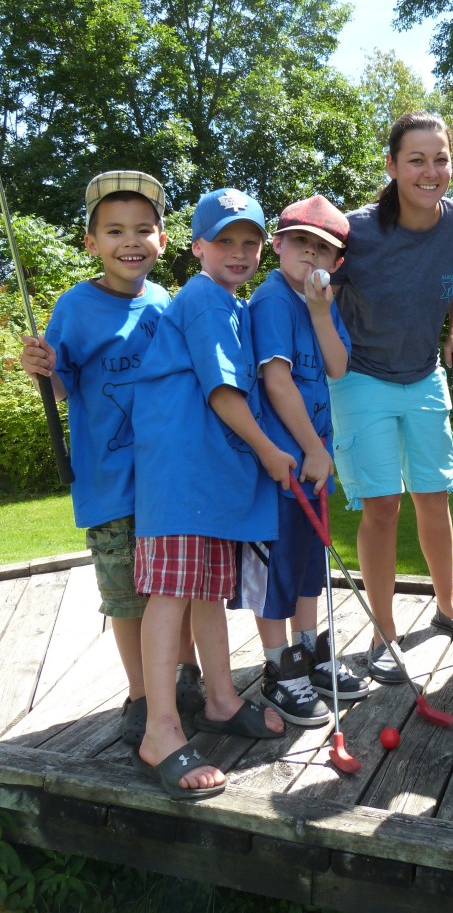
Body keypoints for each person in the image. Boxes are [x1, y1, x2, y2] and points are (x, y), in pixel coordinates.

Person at [19, 170, 201, 746]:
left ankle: (186, 674)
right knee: (128, 595)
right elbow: (64, 385)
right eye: (115, 230)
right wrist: (41, 368)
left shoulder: (167, 302)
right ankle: (143, 695)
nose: (131, 241)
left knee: (180, 585)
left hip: (168, 480)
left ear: (162, 240)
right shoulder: (74, 306)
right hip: (109, 481)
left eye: (144, 229)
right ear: (91, 242)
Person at [131, 188, 295, 800]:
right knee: (173, 593)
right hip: (181, 477)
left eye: (250, 241)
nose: (239, 251)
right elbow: (224, 394)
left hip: (206, 481)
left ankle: (222, 701)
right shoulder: (204, 298)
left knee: (205, 592)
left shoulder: (228, 302)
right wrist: (269, 450)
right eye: (224, 240)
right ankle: (160, 731)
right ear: (197, 247)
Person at [329, 111, 453, 684]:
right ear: (393, 165)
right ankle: (384, 632)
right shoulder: (355, 231)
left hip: (424, 373)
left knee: (434, 494)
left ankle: (448, 611)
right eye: (417, 159)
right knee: (382, 505)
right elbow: (313, 285)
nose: (431, 171)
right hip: (359, 377)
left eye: (441, 159)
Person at [231, 194, 369, 725]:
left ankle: (308, 649)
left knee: (310, 562)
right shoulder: (270, 301)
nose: (310, 255)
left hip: (316, 461)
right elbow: (277, 378)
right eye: (300, 243)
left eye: (323, 249)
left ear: (337, 263)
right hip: (283, 462)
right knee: (276, 567)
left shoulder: (320, 302)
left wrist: (320, 310)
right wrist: (311, 448)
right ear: (279, 247)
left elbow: (336, 367)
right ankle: (276, 666)